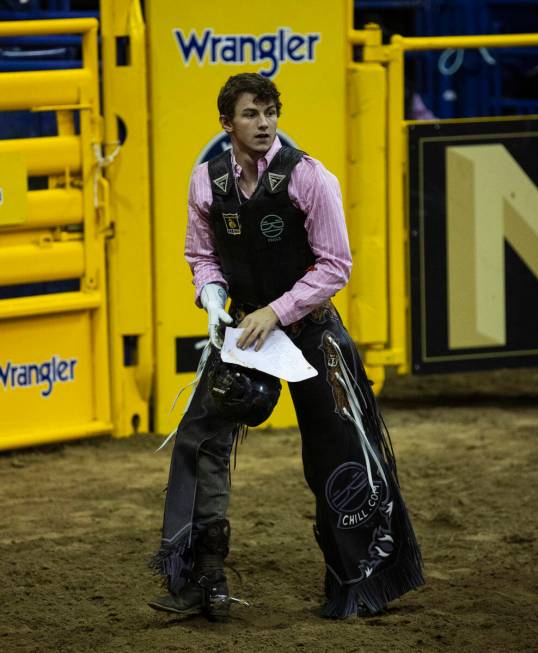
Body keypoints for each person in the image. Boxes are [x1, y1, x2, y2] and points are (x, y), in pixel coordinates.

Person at [149, 72, 424, 622]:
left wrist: (276, 312)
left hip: (309, 327)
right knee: (201, 439)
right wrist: (212, 298)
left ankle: (360, 577)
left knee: (339, 447)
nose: (264, 122)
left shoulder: (310, 178)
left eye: (270, 111)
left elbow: (335, 266)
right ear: (226, 123)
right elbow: (200, 255)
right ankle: (202, 575)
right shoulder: (206, 182)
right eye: (251, 113)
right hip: (246, 326)